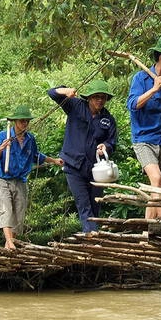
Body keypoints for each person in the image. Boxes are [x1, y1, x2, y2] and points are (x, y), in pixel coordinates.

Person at [48, 80, 118, 233]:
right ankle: (92, 236)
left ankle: (92, 235)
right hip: (73, 166)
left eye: (103, 97)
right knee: (83, 204)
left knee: (95, 205)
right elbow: (52, 93)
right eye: (96, 97)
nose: (100, 100)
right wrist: (65, 91)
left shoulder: (108, 119)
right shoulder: (75, 105)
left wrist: (106, 146)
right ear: (89, 97)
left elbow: (112, 142)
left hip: (96, 170)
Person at [0, 105, 60, 249]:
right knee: (6, 211)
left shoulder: (30, 139)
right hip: (4, 180)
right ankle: (10, 243)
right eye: (22, 121)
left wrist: (53, 160)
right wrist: (2, 147)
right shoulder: (2, 136)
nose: (24, 124)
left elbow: (36, 156)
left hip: (21, 181)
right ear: (15, 122)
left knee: (18, 216)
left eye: (26, 121)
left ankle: (9, 246)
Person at [126, 34, 161, 219]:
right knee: (157, 179)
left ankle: (148, 229)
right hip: (144, 139)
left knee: (160, 186)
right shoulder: (141, 79)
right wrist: (154, 89)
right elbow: (132, 104)